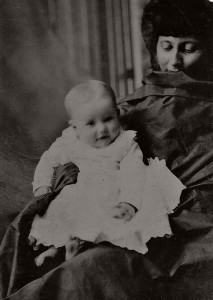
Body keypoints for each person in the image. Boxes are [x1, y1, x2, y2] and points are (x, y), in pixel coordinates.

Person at [1, 0, 213, 299]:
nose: (174, 60)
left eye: (188, 48)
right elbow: (78, 157)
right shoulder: (123, 110)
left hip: (189, 222)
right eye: (166, 46)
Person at [29, 80, 184, 266]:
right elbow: (48, 160)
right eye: (91, 124)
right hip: (85, 190)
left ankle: (89, 253)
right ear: (76, 127)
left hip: (117, 192)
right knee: (65, 213)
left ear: (117, 115)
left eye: (108, 119)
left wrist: (129, 202)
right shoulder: (71, 140)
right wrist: (42, 186)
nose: (102, 129)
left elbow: (134, 173)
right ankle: (57, 249)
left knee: (117, 226)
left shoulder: (125, 143)